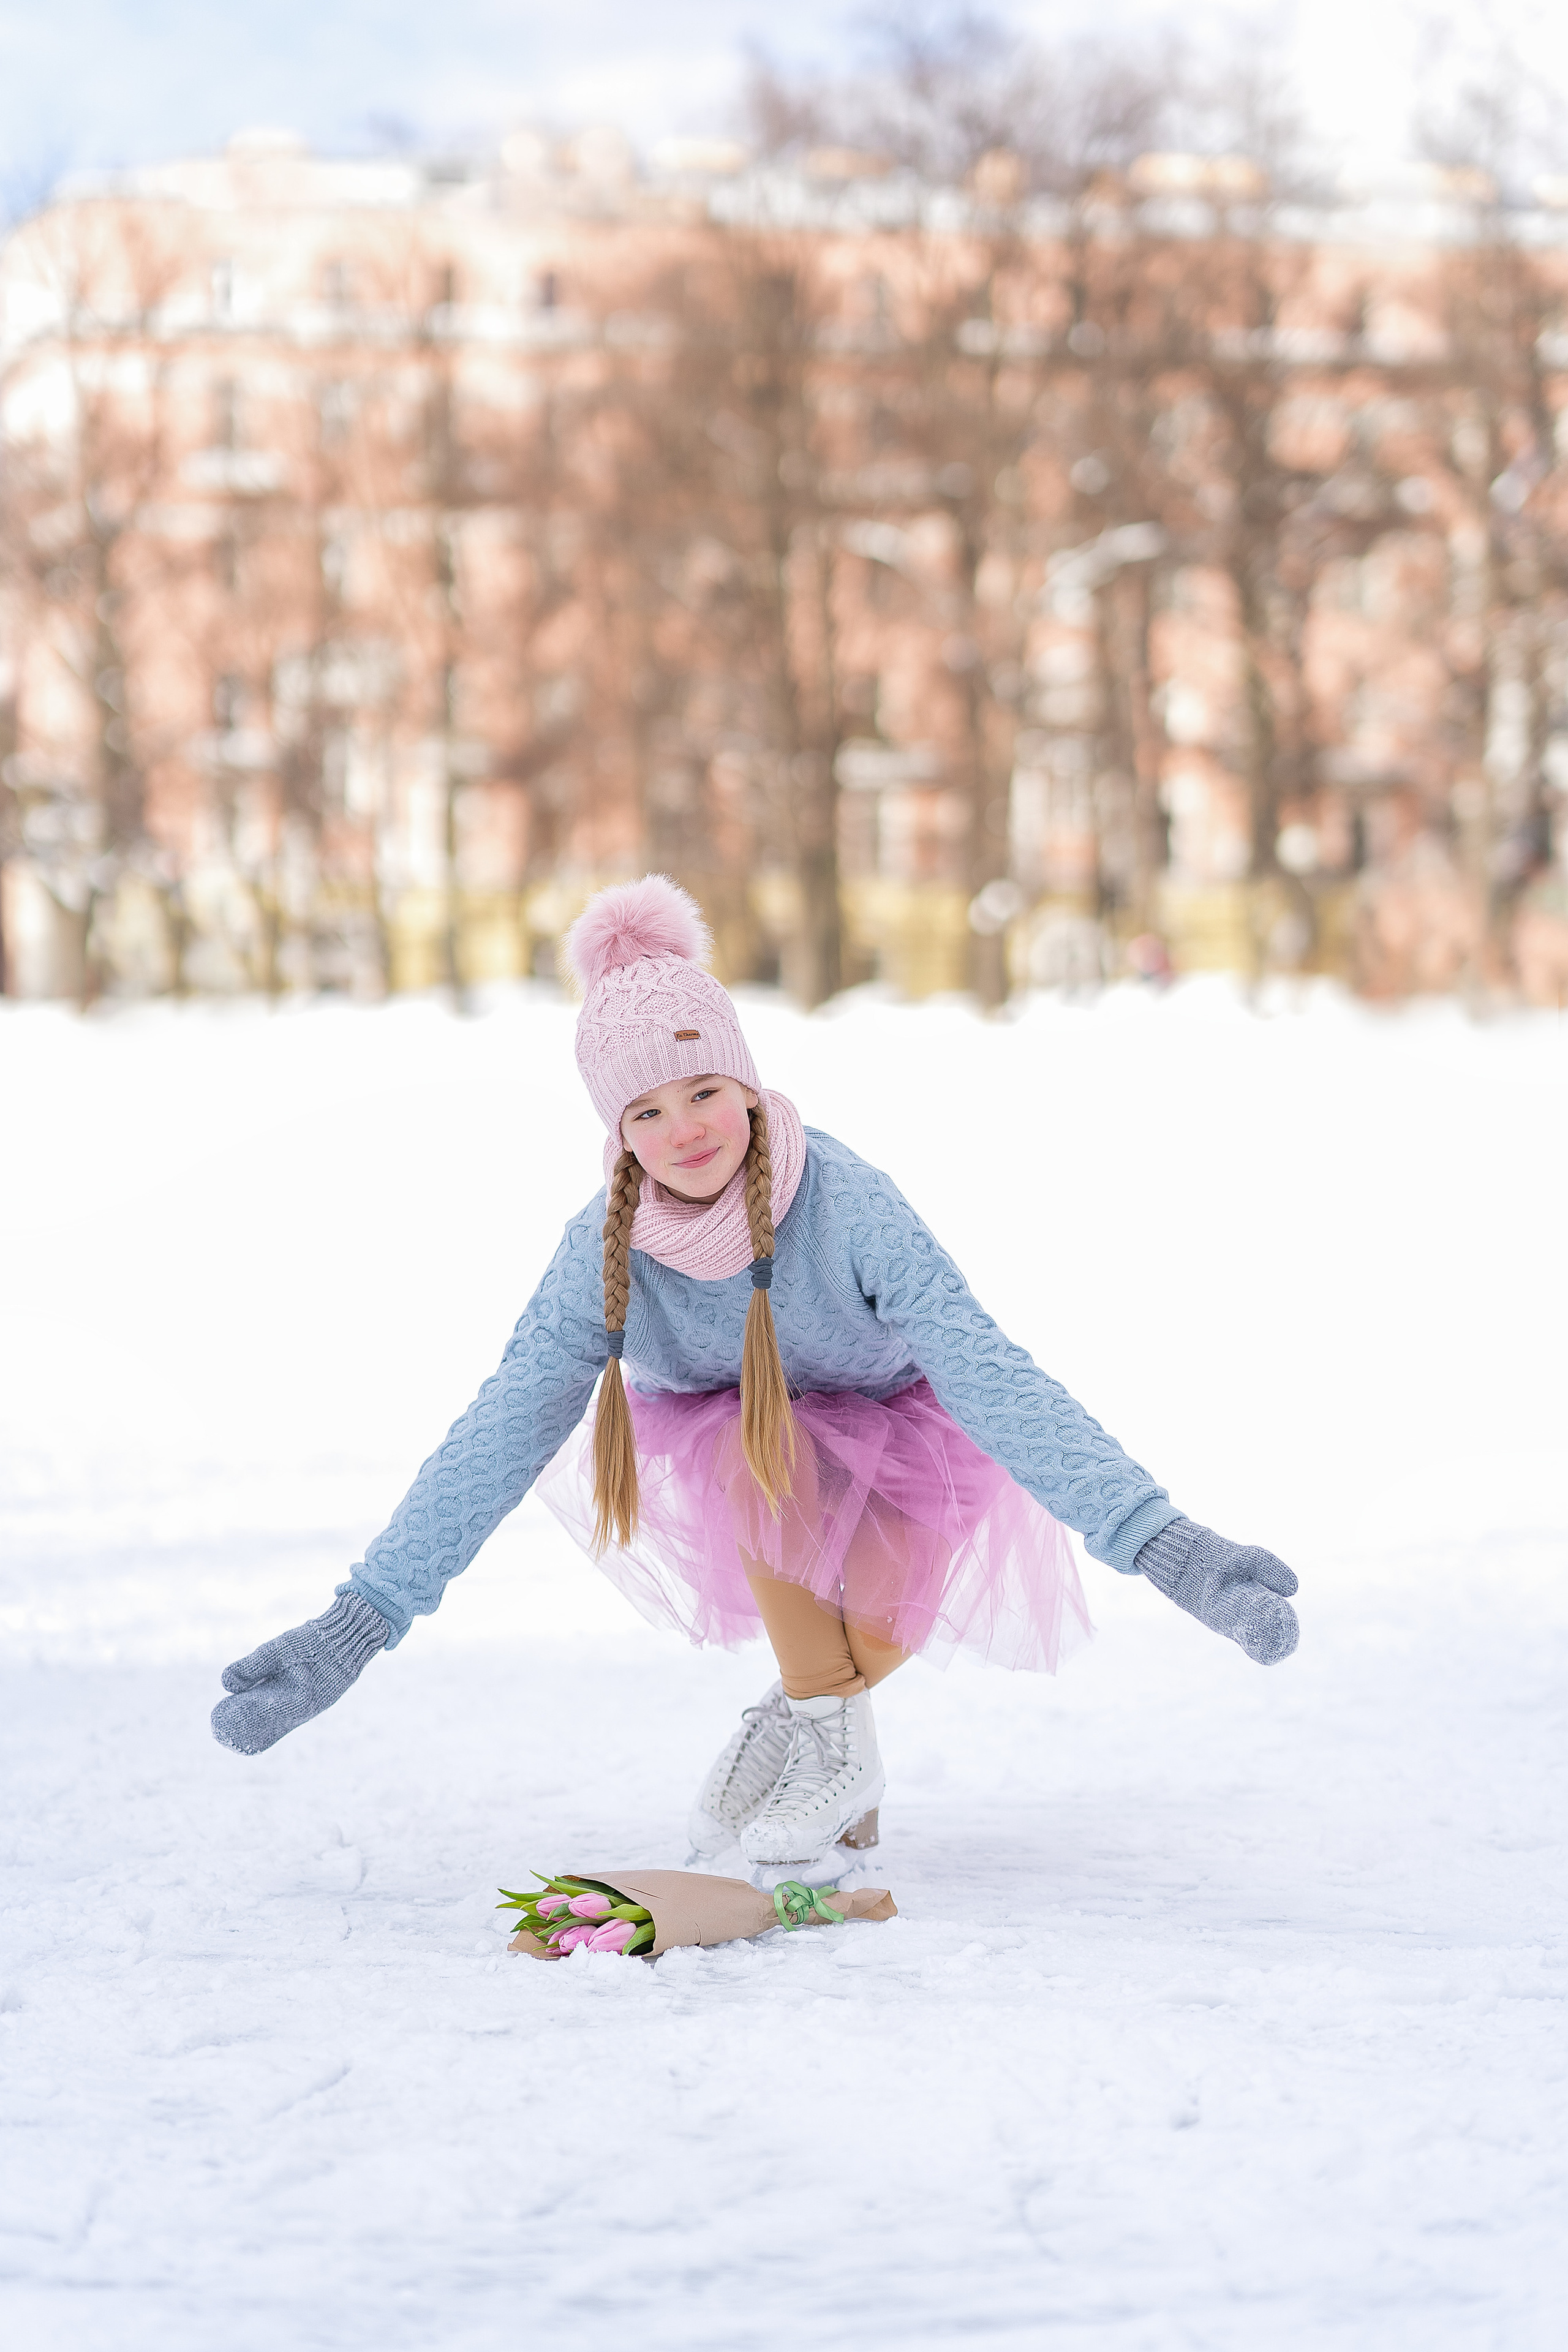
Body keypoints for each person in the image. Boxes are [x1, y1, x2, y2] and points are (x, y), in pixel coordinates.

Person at [211, 876, 1299, 1875]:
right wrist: (363, 1619)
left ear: (746, 1082)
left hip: (900, 1436)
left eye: (703, 1092)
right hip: (750, 1456)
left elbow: (991, 1372)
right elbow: (503, 1426)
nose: (683, 1131)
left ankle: (798, 1719)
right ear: (617, 1132)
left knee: (875, 1625)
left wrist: (1169, 1545)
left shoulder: (850, 1204)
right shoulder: (606, 1250)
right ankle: (844, 1766)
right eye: (645, 1112)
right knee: (758, 1442)